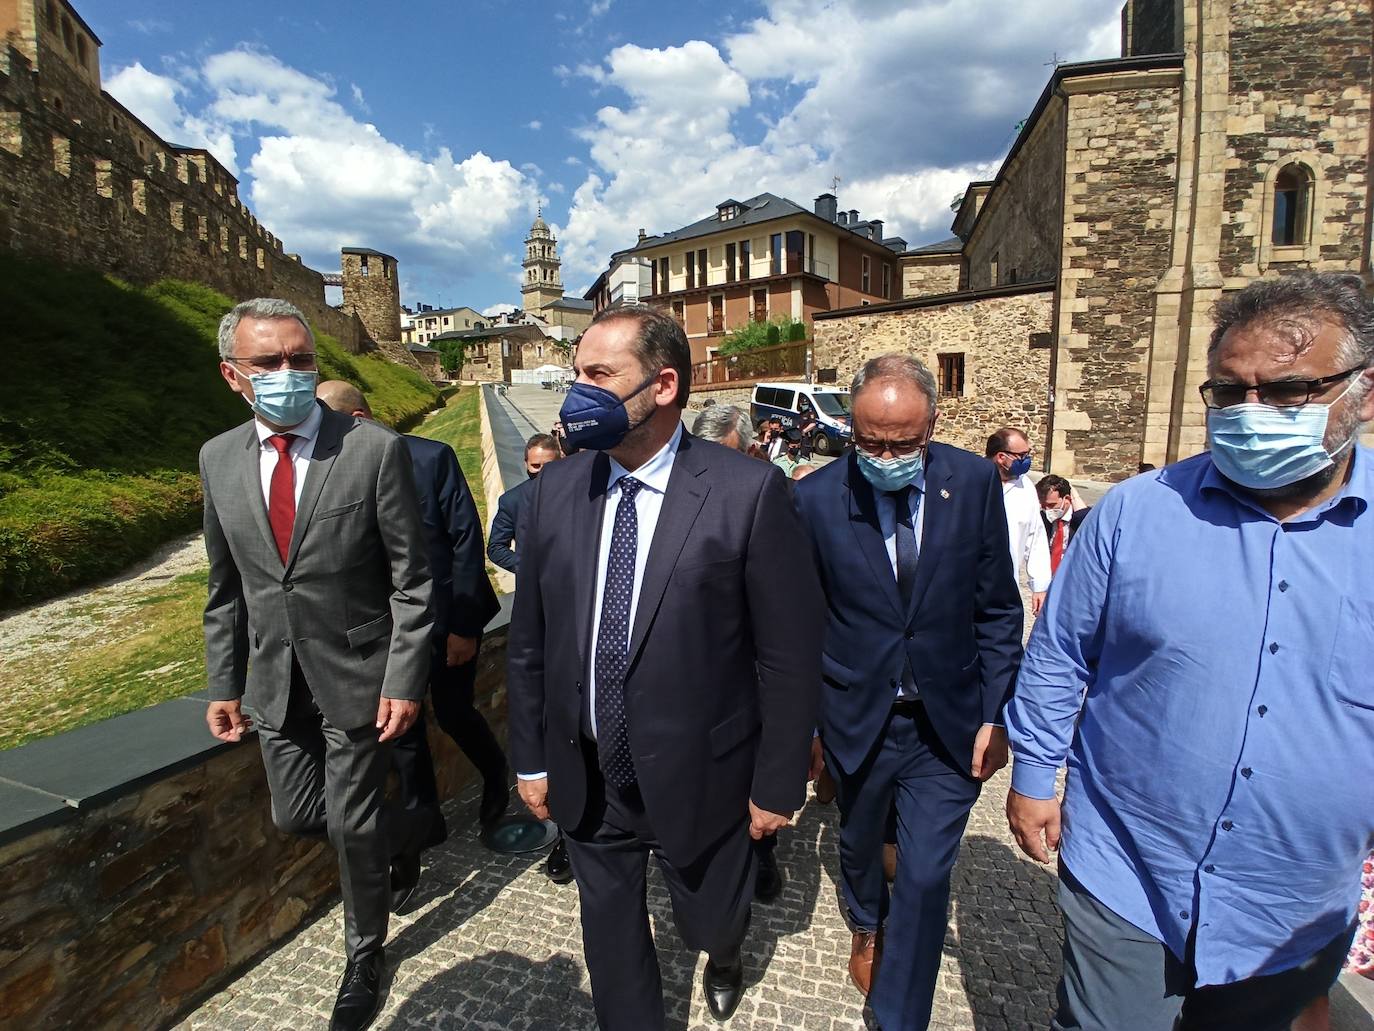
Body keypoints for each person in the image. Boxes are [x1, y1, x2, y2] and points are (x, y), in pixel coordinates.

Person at [1005, 272, 1374, 1031]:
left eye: (1287, 391)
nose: (1250, 413)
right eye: (1228, 393)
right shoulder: (1138, 513)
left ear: (1362, 393)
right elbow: (1059, 652)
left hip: (1294, 899)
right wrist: (1036, 772)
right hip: (1125, 870)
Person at [507, 305, 824, 1029]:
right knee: (611, 942)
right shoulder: (557, 490)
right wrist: (529, 756)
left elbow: (787, 652)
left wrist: (777, 780)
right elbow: (531, 639)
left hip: (705, 773)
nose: (576, 393)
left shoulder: (747, 493)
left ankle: (726, 947)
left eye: (597, 375)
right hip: (589, 774)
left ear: (664, 384)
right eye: (576, 373)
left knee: (711, 920)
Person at [201, 299, 434, 1031]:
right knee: (297, 813)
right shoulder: (216, 458)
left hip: (358, 675)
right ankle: (400, 829)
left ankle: (365, 954)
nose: (288, 375)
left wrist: (402, 675)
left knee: (353, 822)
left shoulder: (370, 449)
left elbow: (413, 579)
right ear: (234, 375)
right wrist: (223, 680)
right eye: (267, 363)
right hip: (275, 679)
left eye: (300, 359)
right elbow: (224, 585)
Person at [794, 354, 1023, 1030]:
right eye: (869, 440)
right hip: (856, 713)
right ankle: (867, 920)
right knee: (861, 841)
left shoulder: (975, 482)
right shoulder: (814, 499)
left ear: (933, 426)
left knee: (923, 875)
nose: (885, 454)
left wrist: (998, 712)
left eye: (902, 441)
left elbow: (998, 610)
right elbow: (800, 626)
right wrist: (805, 728)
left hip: (946, 722)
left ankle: (897, 1014)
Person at [316, 380, 507, 909]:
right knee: (399, 733)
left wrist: (466, 626)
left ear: (359, 415)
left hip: (444, 621)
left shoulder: (431, 458)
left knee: (453, 711)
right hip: (384, 633)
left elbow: (467, 541)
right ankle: (422, 828)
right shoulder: (332, 471)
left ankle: (495, 777)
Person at [689, 402, 788, 904]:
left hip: (756, 671)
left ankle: (762, 852)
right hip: (700, 671)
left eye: (722, 457)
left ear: (751, 451)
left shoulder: (775, 494)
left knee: (756, 775)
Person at [986, 426, 1052, 614]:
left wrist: (1039, 585)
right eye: (1022, 455)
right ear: (1001, 457)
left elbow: (1036, 536)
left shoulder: (1026, 488)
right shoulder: (971, 482)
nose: (1026, 460)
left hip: (1007, 588)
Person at [488, 434, 562, 575]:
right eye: (535, 466)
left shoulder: (578, 492)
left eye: (549, 465)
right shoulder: (511, 501)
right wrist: (529, 567)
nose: (542, 472)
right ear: (526, 464)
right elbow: (496, 548)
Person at [1036, 474, 1090, 576]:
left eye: (1051, 505)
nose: (1048, 510)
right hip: (1049, 578)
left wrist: (1075, 497)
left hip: (1073, 577)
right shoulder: (1042, 518)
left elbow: (1090, 526)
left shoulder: (1079, 520)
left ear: (1067, 499)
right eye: (1044, 505)